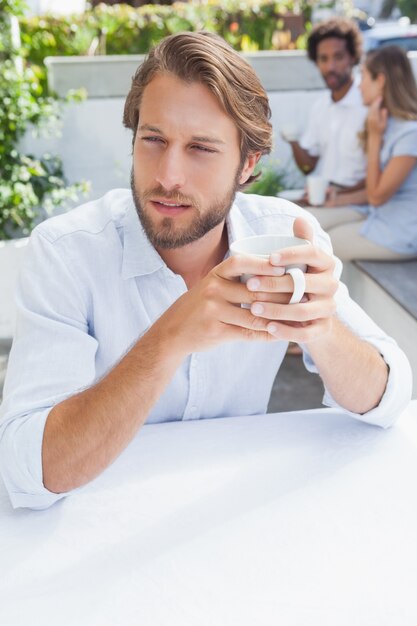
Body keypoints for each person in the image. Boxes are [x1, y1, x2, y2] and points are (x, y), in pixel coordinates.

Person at [0, 32, 411, 511]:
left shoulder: (283, 235)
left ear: (247, 164)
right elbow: (29, 471)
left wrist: (322, 330)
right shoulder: (67, 253)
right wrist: (171, 335)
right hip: (99, 526)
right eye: (153, 140)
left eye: (201, 148)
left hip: (229, 518)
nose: (168, 175)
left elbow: (391, 393)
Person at [308, 45, 417, 261]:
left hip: (402, 232)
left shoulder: (409, 133)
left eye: (364, 76)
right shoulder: (390, 123)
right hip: (380, 217)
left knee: (325, 245)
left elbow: (376, 196)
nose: (360, 85)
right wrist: (337, 199)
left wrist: (375, 136)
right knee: (311, 226)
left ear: (381, 81)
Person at [282, 17, 367, 193]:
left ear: (352, 57)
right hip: (325, 196)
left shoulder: (368, 104)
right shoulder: (320, 107)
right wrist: (293, 141)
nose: (330, 67)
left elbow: (382, 173)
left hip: (357, 200)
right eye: (323, 59)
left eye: (338, 57)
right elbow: (308, 167)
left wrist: (338, 195)